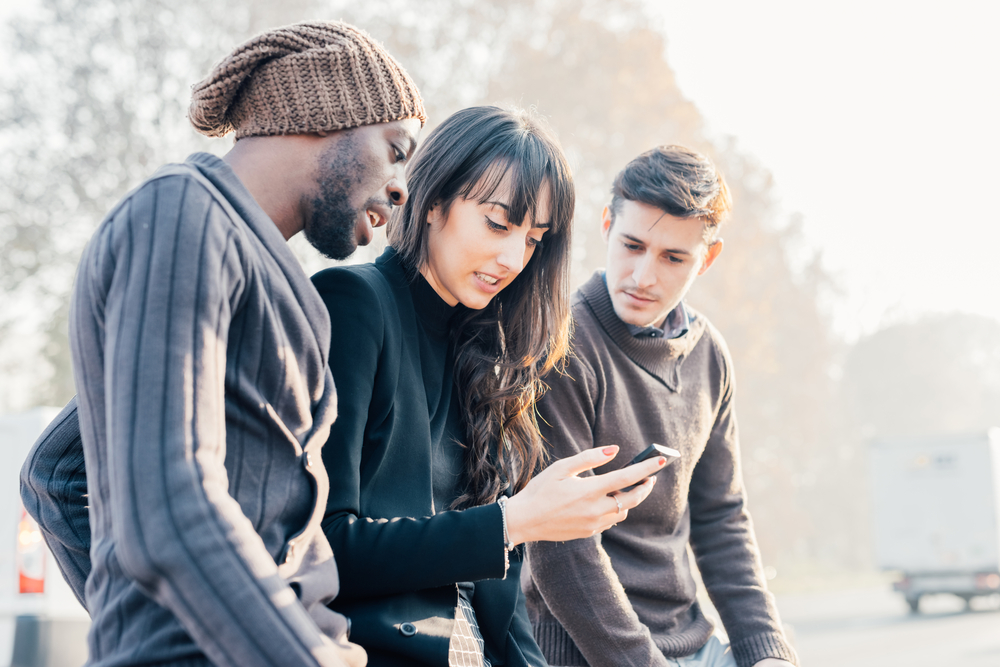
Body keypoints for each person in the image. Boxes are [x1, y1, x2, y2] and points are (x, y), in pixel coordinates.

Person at [18, 21, 426, 667]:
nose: (401, 188)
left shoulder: (275, 278)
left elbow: (58, 473)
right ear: (328, 109)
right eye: (396, 148)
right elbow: (172, 512)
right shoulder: (182, 215)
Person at [310, 106, 666, 667]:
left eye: (533, 240)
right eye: (498, 223)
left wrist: (517, 525)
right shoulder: (353, 304)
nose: (511, 259)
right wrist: (515, 520)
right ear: (433, 202)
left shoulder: (486, 357)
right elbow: (324, 548)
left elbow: (500, 613)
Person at [522, 146, 799, 667]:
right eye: (632, 245)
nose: (644, 275)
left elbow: (721, 517)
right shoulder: (559, 344)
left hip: (694, 643)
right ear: (606, 226)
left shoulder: (709, 353)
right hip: (587, 652)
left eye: (674, 258)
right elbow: (562, 549)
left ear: (708, 259)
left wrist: (765, 650)